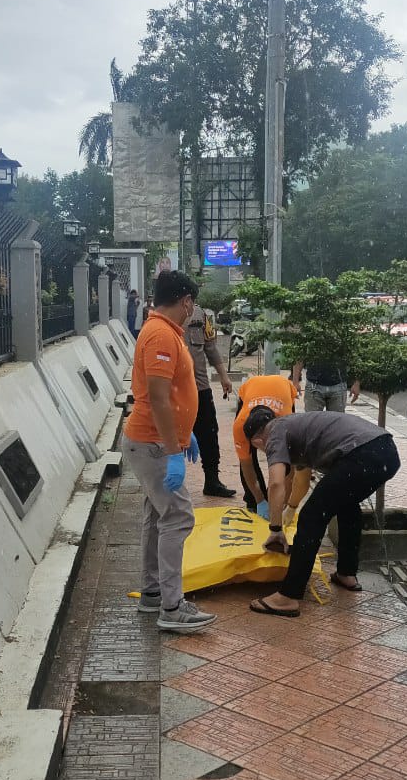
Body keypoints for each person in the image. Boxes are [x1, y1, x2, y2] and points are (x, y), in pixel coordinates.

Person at [122, 271, 217, 632]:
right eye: (192, 304)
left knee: (157, 514)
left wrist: (183, 432)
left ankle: (152, 594)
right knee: (178, 517)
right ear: (186, 302)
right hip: (154, 443)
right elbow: (159, 399)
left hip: (154, 439)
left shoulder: (162, 331)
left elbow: (167, 396)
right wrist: (175, 448)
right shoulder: (161, 334)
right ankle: (172, 607)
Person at [244, 408, 400, 617]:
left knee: (311, 516)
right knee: (347, 504)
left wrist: (275, 528)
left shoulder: (273, 434)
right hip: (386, 450)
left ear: (256, 442)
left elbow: (276, 483)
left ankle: (289, 596)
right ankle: (346, 572)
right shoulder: (293, 425)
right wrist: (290, 506)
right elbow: (299, 479)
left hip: (363, 452)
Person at [231, 374, 305, 517]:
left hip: (284, 386)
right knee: (246, 455)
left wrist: (283, 505)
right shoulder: (239, 427)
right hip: (250, 387)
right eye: (257, 443)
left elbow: (291, 472)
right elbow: (246, 464)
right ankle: (253, 500)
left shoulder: (289, 427)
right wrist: (260, 500)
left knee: (286, 459)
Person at [185, 303, 237, 498]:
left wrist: (224, 376)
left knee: (209, 434)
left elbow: (211, 348)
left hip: (200, 387)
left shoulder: (200, 315)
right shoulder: (163, 314)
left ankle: (212, 481)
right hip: (174, 390)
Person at [290, 359, 359, 413]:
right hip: (313, 386)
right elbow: (300, 357)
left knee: (336, 424)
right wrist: (295, 382)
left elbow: (355, 357)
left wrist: (356, 383)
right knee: (312, 423)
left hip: (338, 386)